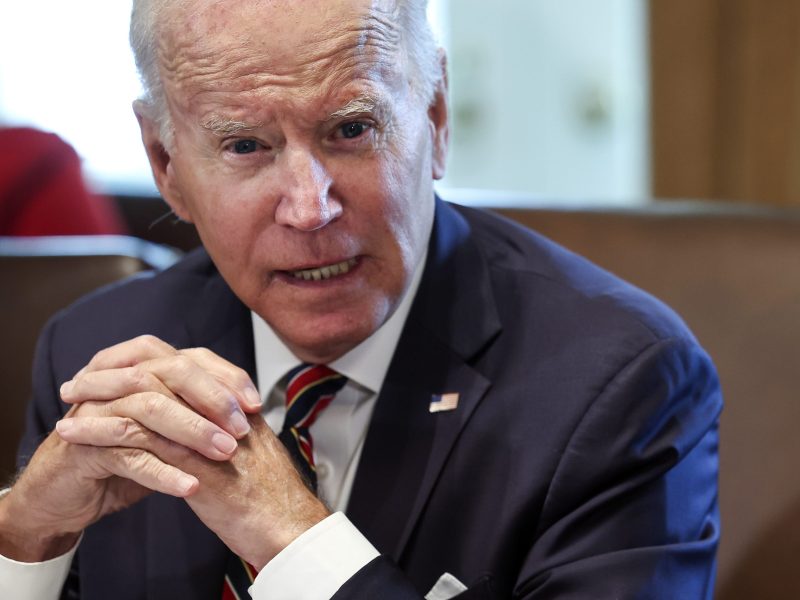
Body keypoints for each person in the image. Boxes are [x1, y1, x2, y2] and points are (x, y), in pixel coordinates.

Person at [0, 0, 722, 598]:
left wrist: (288, 538)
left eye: (351, 130)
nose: (309, 208)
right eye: (246, 145)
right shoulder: (96, 347)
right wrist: (24, 536)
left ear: (435, 119)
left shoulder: (621, 384)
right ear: (165, 164)